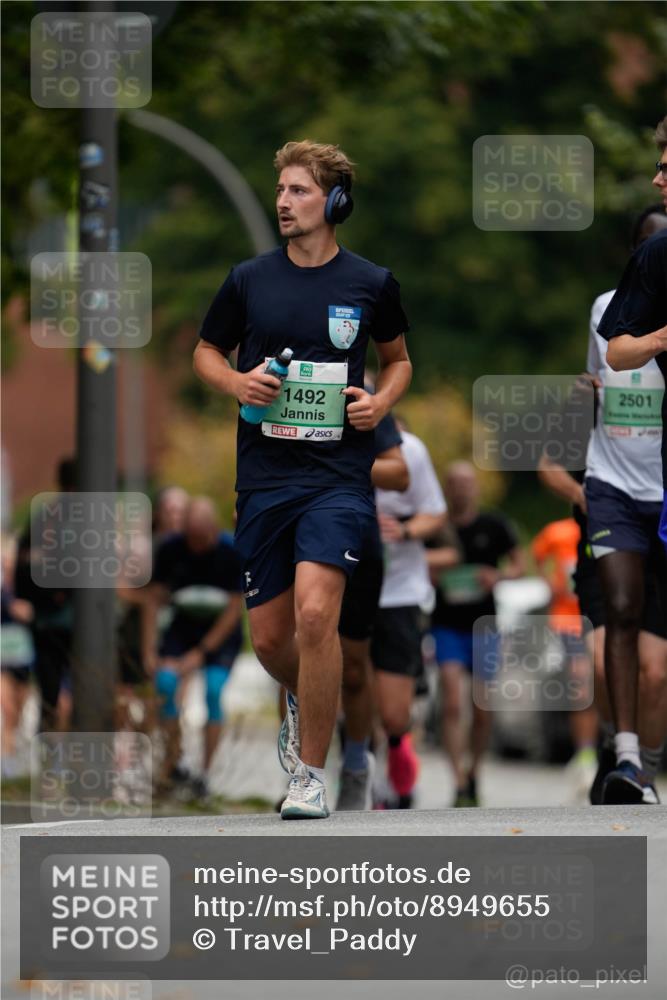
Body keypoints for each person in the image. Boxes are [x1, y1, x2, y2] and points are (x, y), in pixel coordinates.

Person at [193, 140, 412, 818]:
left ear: (334, 202)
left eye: (298, 191)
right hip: (263, 479)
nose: (283, 202)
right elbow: (205, 352)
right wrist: (237, 380)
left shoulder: (370, 283)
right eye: (281, 190)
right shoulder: (249, 279)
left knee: (318, 614)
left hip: (337, 478)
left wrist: (380, 403)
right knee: (272, 640)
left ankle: (309, 775)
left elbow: (399, 360)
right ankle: (314, 700)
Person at [595, 121, 667, 803]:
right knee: (619, 608)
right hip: (618, 480)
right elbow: (611, 352)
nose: (656, 176)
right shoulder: (657, 262)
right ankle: (625, 758)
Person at [426, 462, 525, 807]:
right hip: (446, 625)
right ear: (446, 488)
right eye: (454, 483)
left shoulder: (494, 524)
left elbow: (518, 563)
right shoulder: (436, 527)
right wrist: (431, 575)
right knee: (452, 703)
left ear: (476, 488)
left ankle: (475, 770)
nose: (461, 489)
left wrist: (496, 577)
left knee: (482, 709)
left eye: (466, 483)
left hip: (484, 627)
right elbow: (416, 565)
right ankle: (457, 780)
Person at [142, 497, 244, 797]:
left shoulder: (230, 551)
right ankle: (173, 762)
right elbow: (153, 599)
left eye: (203, 539)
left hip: (218, 636)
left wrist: (199, 654)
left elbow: (234, 610)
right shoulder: (171, 549)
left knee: (213, 690)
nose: (197, 546)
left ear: (214, 530)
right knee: (165, 683)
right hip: (181, 630)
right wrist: (149, 649)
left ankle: (205, 773)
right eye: (192, 538)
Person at [336, 398, 409, 811]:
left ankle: (354, 763)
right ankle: (298, 770)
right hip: (290, 528)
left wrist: (338, 461)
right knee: (288, 652)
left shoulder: (356, 388)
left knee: (352, 666)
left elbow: (400, 473)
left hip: (356, 539)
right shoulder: (271, 375)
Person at [371, 426, 446, 808]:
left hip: (400, 592)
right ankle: (366, 778)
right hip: (347, 587)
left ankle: (398, 743)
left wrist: (403, 528)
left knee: (394, 712)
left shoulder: (412, 451)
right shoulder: (324, 437)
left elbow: (436, 514)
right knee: (353, 686)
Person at [531, 516, 597, 798]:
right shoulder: (557, 531)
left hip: (601, 615)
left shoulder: (612, 528)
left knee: (603, 680)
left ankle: (614, 749)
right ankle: (585, 754)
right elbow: (536, 556)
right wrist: (551, 584)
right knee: (581, 681)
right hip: (567, 620)